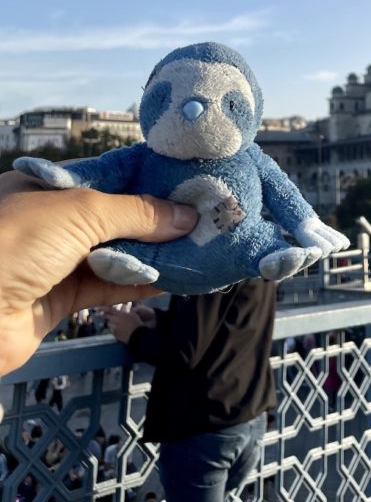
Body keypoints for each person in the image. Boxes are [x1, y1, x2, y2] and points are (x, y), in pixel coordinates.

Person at [0, 170, 198, 378]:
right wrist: (161, 319)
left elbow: (189, 350)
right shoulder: (212, 267)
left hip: (196, 404)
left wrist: (136, 335)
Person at [105, 278, 276, 502]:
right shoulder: (257, 250)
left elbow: (183, 352)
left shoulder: (210, 257)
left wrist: (135, 334)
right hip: (248, 417)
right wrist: (159, 320)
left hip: (204, 427)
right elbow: (224, 321)